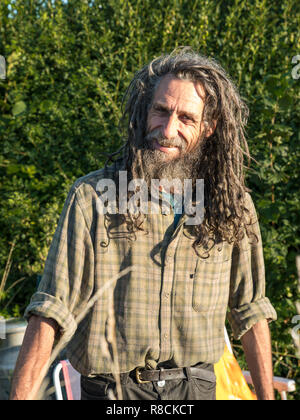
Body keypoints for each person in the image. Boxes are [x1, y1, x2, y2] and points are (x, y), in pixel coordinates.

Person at [10, 48, 277, 401]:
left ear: (209, 127)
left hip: (196, 389)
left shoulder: (232, 207)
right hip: (113, 393)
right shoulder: (94, 198)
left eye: (186, 118)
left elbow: (251, 310)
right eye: (161, 111)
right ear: (143, 111)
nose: (168, 130)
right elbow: (52, 307)